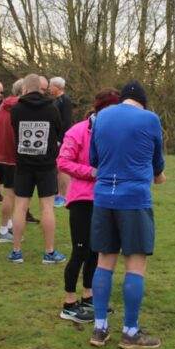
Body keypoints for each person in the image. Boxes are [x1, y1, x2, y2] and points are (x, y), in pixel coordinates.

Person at [88, 80, 165, 349]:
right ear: (142, 102)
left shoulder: (101, 117)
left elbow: (93, 159)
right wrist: (158, 174)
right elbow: (158, 162)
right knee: (135, 263)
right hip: (134, 199)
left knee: (104, 262)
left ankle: (99, 328)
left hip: (103, 198)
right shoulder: (150, 119)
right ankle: (130, 332)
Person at [56, 87, 120, 323]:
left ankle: (88, 296)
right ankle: (69, 302)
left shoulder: (117, 132)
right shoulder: (78, 131)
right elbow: (63, 161)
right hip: (82, 199)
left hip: (106, 198)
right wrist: (91, 172)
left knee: (96, 250)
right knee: (80, 250)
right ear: (100, 109)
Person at [8, 74, 65, 264]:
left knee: (20, 207)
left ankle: (16, 251)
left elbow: (14, 130)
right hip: (46, 165)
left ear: (24, 88)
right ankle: (49, 252)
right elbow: (59, 130)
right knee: (47, 207)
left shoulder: (16, 109)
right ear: (41, 88)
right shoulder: (51, 107)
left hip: (23, 164)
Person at [0, 80, 24, 244]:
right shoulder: (19, 107)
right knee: (10, 195)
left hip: (0, 156)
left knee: (9, 193)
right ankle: (3, 230)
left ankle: (8, 224)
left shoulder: (3, 105)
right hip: (12, 157)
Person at [49, 77, 73, 207]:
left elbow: (66, 122)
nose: (49, 88)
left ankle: (65, 196)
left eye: (50, 86)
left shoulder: (65, 100)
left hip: (62, 140)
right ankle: (59, 194)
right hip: (55, 139)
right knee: (57, 168)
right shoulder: (55, 101)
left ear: (57, 87)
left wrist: (60, 139)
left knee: (62, 167)